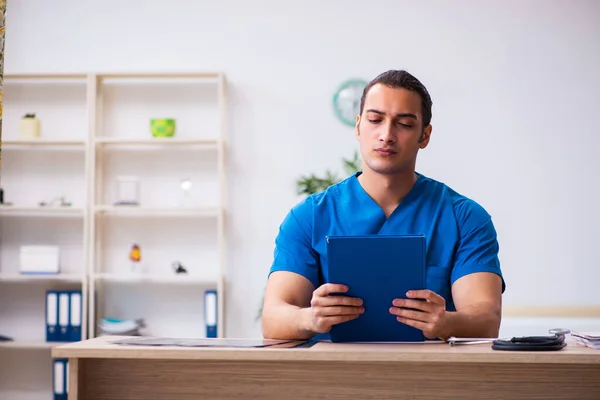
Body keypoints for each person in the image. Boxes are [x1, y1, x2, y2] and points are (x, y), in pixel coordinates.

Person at [261, 69, 505, 342]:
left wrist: (447, 322)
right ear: (358, 126)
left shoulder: (465, 219)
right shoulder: (309, 218)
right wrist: (310, 317)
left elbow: (487, 319)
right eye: (375, 120)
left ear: (424, 136)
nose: (386, 135)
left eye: (404, 124)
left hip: (430, 379)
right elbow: (273, 318)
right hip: (331, 379)